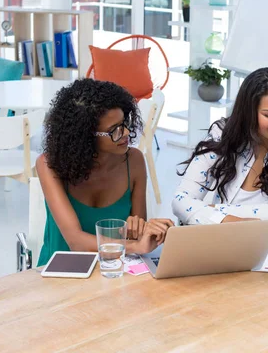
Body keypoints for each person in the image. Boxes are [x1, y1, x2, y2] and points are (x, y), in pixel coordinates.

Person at [36, 78, 173, 266]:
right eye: (114, 130)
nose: (125, 133)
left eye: (124, 123)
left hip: (114, 268)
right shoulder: (49, 164)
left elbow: (136, 232)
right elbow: (76, 242)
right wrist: (134, 247)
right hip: (61, 271)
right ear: (85, 137)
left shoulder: (134, 161)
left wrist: (142, 229)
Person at [172, 67, 268, 230]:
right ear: (248, 113)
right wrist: (227, 221)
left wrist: (211, 212)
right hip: (220, 239)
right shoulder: (223, 132)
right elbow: (180, 201)